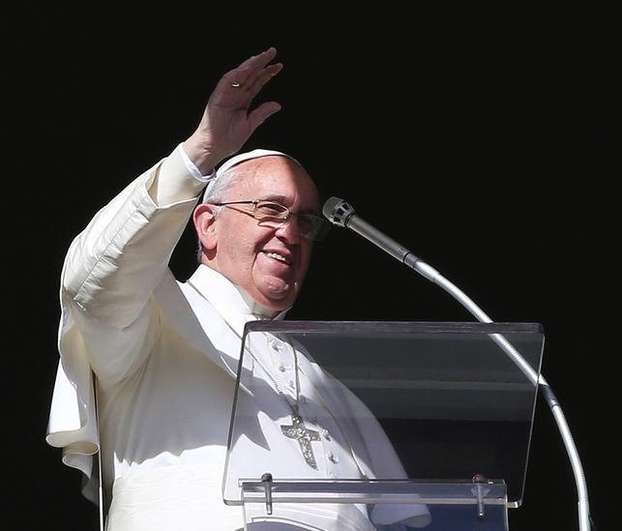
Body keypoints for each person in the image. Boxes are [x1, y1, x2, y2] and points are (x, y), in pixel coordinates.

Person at [46, 48, 429, 531]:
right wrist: (200, 152)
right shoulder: (153, 318)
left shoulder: (325, 381)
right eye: (269, 211)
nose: (289, 233)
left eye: (305, 221)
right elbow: (91, 278)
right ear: (207, 225)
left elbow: (402, 518)